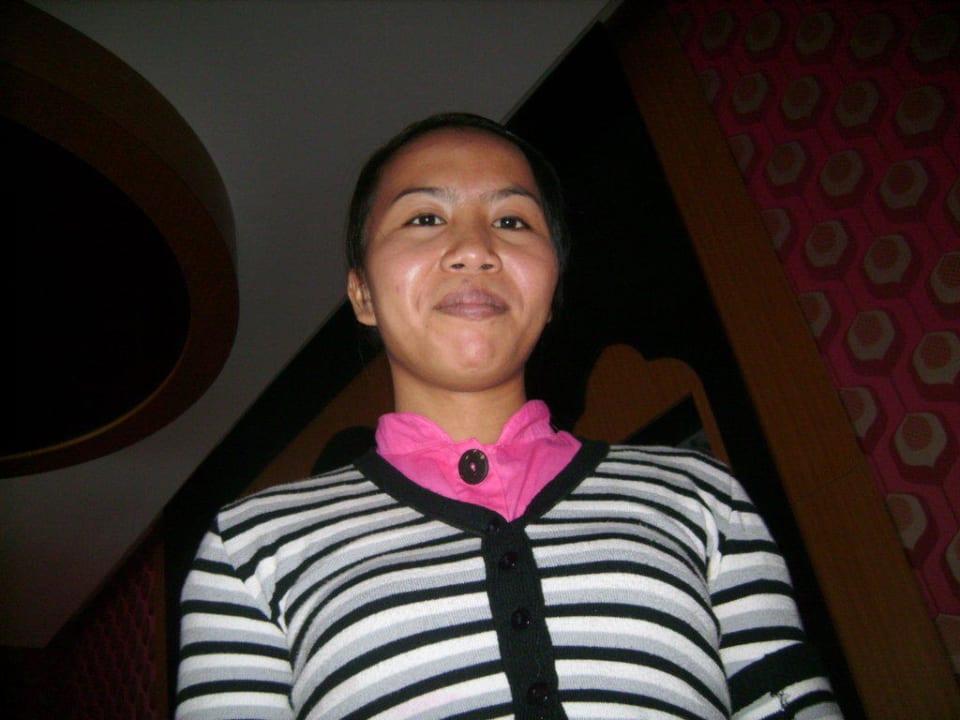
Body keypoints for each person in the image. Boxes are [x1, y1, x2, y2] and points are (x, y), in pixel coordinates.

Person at [176, 113, 842, 720]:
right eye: (424, 218)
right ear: (362, 294)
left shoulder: (704, 498)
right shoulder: (249, 550)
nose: (475, 249)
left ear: (551, 289)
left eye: (513, 222)